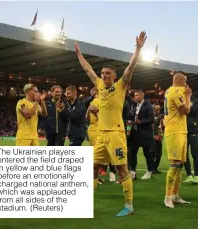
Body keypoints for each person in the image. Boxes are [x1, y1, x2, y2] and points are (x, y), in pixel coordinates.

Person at [75, 31, 147, 217]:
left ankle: (129, 205)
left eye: (107, 73)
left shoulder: (121, 85)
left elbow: (130, 67)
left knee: (122, 169)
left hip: (115, 134)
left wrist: (138, 48)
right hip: (100, 135)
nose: (104, 75)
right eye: (103, 73)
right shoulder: (98, 84)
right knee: (92, 168)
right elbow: (88, 70)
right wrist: (79, 56)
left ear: (114, 76)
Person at [163, 71, 192, 208]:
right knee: (175, 164)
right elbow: (186, 110)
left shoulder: (170, 91)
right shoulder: (175, 92)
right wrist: (188, 95)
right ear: (181, 81)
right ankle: (168, 197)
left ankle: (175, 195)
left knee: (180, 164)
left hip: (180, 130)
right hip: (174, 131)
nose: (186, 83)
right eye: (185, 80)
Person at [128, 89, 155, 180]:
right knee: (132, 153)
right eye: (134, 95)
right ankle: (132, 172)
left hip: (145, 133)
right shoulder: (133, 105)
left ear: (142, 96)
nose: (135, 97)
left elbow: (151, 119)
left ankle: (149, 171)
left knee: (147, 154)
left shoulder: (148, 105)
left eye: (137, 95)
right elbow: (131, 116)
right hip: (134, 133)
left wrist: (141, 122)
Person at [183, 94, 198, 184]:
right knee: (184, 155)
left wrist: (187, 105)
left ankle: (197, 176)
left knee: (194, 153)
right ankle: (189, 175)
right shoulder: (180, 99)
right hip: (182, 130)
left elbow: (194, 110)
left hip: (193, 130)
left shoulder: (196, 100)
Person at [152, 104, 164, 173]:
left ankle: (155, 168)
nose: (158, 111)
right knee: (153, 154)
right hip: (153, 137)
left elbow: (161, 127)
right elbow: (152, 125)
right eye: (156, 109)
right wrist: (153, 136)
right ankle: (151, 168)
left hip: (159, 137)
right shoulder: (151, 116)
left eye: (159, 109)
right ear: (153, 109)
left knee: (159, 154)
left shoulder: (160, 117)